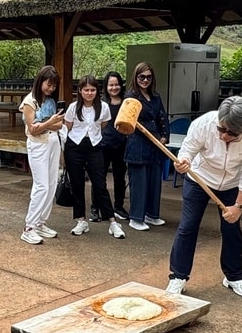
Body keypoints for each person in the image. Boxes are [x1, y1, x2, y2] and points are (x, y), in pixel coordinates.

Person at [167, 96, 242, 298]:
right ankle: (178, 277)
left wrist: (238, 206)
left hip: (232, 182)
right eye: (221, 129)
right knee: (188, 226)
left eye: (232, 133)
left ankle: (234, 277)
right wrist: (183, 162)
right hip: (199, 179)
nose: (224, 136)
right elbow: (188, 149)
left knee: (232, 228)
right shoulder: (204, 123)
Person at [61, 75, 125, 239]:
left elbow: (102, 125)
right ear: (80, 91)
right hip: (74, 146)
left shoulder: (103, 107)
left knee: (100, 184)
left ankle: (112, 221)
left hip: (95, 146)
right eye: (86, 90)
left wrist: (93, 137)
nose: (89, 93)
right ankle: (81, 220)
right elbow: (67, 128)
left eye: (92, 90)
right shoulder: (73, 107)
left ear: (97, 91)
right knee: (77, 184)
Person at [20, 65, 63, 244]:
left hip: (53, 141)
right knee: (42, 185)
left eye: (53, 86)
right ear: (40, 81)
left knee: (52, 184)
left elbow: (59, 125)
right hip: (38, 145)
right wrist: (50, 122)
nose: (51, 88)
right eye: (48, 84)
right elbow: (33, 129)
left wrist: (46, 123)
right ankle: (29, 226)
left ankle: (40, 222)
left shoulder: (51, 101)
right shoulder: (30, 101)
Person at [125, 61, 170, 231]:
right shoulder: (130, 98)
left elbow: (162, 118)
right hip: (138, 145)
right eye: (142, 77)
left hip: (156, 145)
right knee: (140, 183)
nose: (145, 80)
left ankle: (152, 214)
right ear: (136, 78)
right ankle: (136, 217)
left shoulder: (156, 97)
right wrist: (156, 136)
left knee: (154, 182)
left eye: (148, 77)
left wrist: (164, 137)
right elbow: (132, 122)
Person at [102, 70, 129, 220]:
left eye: (117, 84)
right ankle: (97, 207)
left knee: (120, 178)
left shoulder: (126, 102)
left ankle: (118, 206)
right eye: (111, 85)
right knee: (100, 177)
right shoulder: (101, 103)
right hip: (104, 144)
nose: (114, 88)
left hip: (121, 144)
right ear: (106, 87)